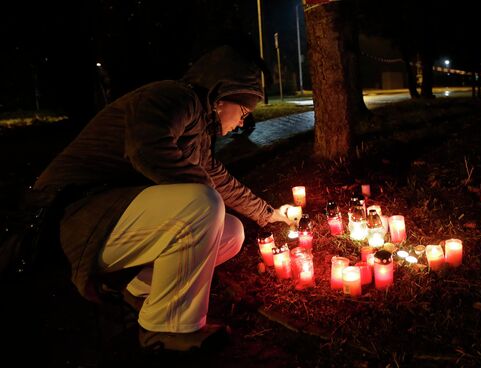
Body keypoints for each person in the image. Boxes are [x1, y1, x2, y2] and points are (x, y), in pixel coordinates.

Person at [32, 45, 292, 351]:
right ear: (222, 97)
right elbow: (145, 148)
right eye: (244, 113)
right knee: (202, 203)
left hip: (110, 215)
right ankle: (167, 329)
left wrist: (269, 214)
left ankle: (141, 289)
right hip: (71, 215)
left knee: (231, 231)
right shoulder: (174, 97)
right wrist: (202, 192)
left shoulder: (199, 131)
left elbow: (221, 181)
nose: (241, 124)